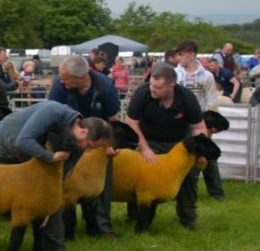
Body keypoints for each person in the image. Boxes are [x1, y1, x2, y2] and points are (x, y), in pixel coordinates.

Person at [0, 101, 112, 251]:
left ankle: (54, 247)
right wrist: (51, 157)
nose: (88, 151)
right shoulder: (53, 111)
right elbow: (23, 141)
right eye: (89, 145)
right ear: (83, 132)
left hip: (37, 153)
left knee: (48, 193)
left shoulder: (77, 144)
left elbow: (60, 178)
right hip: (7, 146)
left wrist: (49, 205)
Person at [122, 63, 207, 231]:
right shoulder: (142, 93)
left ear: (171, 86)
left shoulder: (187, 98)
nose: (152, 89)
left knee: (188, 175)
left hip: (179, 143)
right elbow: (131, 123)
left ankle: (188, 217)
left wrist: (199, 150)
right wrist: (145, 149)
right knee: (139, 173)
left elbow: (199, 127)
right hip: (148, 139)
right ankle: (135, 216)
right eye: (152, 85)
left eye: (158, 87)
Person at [48, 54, 122, 238]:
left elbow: (113, 120)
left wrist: (109, 146)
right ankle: (54, 225)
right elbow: (51, 113)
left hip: (97, 139)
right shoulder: (59, 84)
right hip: (67, 138)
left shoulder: (106, 86)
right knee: (58, 180)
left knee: (101, 183)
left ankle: (102, 227)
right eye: (62, 78)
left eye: (66, 79)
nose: (62, 82)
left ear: (80, 78)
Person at [173, 40, 218, 112]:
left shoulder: (207, 76)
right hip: (179, 118)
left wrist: (212, 119)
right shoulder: (174, 73)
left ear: (192, 55)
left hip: (199, 117)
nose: (178, 58)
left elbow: (211, 100)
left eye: (181, 54)